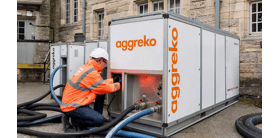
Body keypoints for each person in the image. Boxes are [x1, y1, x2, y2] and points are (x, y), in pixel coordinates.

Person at [60, 48, 120, 132]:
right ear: (100, 61)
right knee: (100, 121)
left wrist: (113, 80)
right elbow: (103, 88)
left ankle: (94, 116)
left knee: (101, 93)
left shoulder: (88, 68)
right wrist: (119, 85)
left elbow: (99, 84)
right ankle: (72, 121)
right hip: (73, 107)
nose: (105, 66)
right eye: (105, 63)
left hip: (76, 102)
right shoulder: (91, 72)